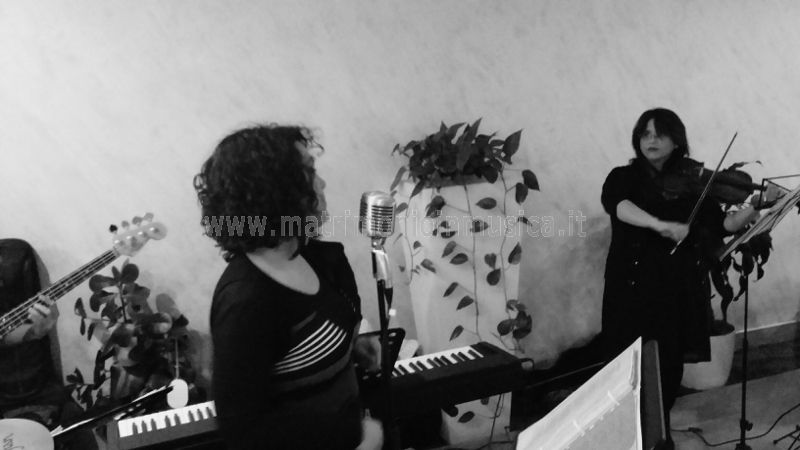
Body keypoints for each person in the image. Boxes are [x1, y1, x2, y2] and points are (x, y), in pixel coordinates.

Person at [194, 124, 383, 449]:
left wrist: (349, 348)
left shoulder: (320, 257)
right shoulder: (245, 301)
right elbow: (245, 431)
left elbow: (308, 343)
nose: (322, 183)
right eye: (310, 172)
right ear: (272, 190)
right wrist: (358, 438)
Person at [600, 108, 765, 446]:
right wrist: (660, 225)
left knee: (670, 365)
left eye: (659, 134)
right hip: (631, 286)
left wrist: (758, 205)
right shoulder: (623, 177)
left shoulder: (693, 186)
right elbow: (619, 206)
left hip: (675, 287)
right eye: (645, 134)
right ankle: (630, 435)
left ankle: (658, 433)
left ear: (676, 141)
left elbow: (725, 225)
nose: (651, 140)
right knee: (628, 364)